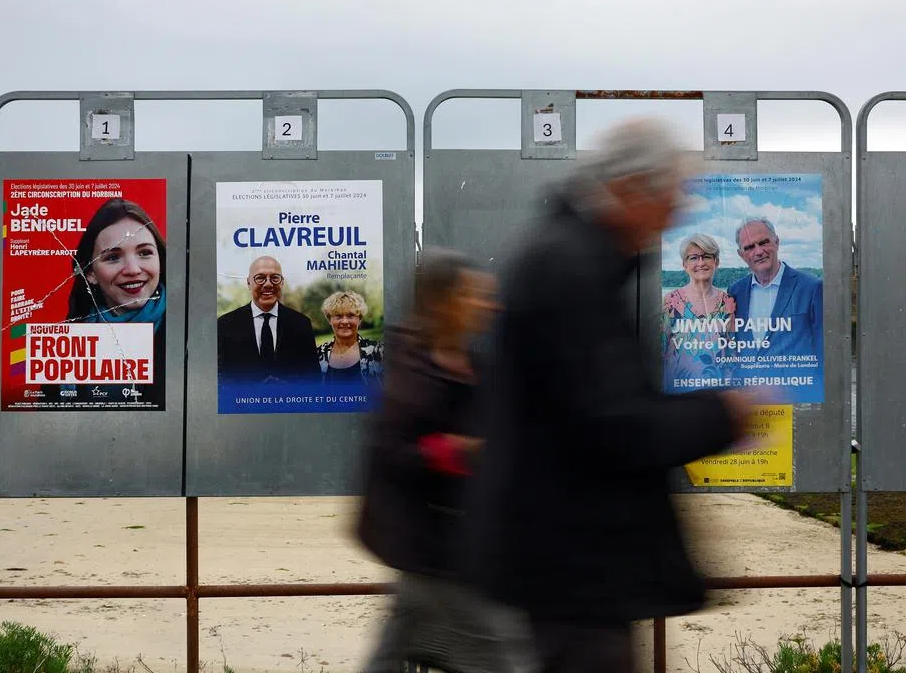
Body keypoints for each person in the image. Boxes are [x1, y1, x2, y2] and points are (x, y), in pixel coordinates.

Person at [462, 118, 762, 673]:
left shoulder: (573, 258)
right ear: (631, 189)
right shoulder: (570, 268)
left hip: (568, 560)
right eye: (672, 196)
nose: (677, 213)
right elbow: (612, 425)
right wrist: (721, 413)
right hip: (570, 566)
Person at [355, 249, 533, 673]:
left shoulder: (478, 365)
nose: (490, 305)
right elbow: (388, 451)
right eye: (476, 295)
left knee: (393, 653)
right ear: (442, 301)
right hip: (435, 552)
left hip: (457, 548)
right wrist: (453, 451)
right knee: (509, 657)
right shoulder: (408, 368)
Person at [62, 198, 167, 407]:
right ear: (90, 272)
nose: (133, 269)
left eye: (144, 253)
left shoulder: (191, 333)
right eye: (113, 257)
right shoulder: (64, 344)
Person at [727, 217, 823, 362]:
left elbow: (822, 350)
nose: (758, 251)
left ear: (777, 242)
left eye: (764, 242)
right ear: (741, 255)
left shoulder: (811, 287)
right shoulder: (735, 292)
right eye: (749, 247)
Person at [216, 255, 319, 383]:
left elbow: (314, 379)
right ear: (249, 283)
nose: (268, 284)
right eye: (260, 278)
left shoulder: (301, 324)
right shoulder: (225, 325)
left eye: (275, 278)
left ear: (282, 282)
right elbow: (219, 380)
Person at [662, 232, 736, 392]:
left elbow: (732, 350)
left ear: (716, 262)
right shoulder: (671, 301)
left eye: (707, 256)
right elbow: (660, 350)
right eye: (693, 258)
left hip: (718, 393)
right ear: (684, 265)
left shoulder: (727, 302)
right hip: (678, 391)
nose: (700, 262)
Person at [316, 290, 384, 386]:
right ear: (329, 320)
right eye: (338, 316)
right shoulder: (318, 354)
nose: (344, 321)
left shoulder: (378, 351)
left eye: (351, 315)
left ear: (359, 319)